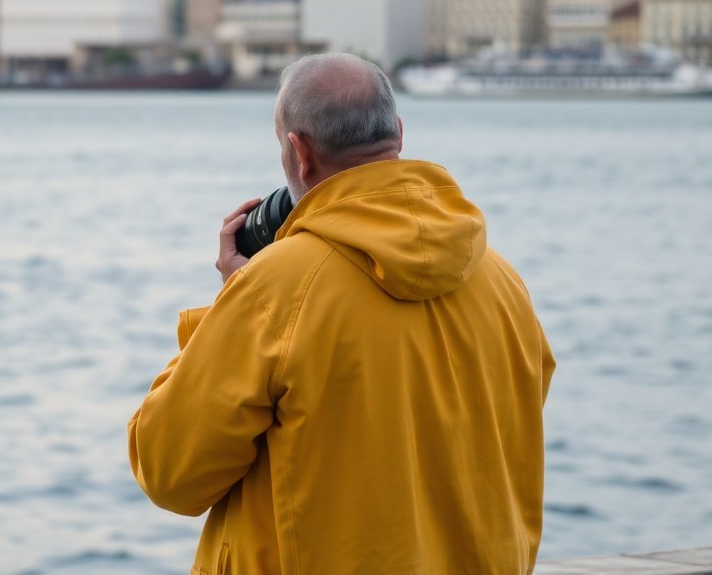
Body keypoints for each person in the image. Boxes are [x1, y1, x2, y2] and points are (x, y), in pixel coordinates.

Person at [127, 53, 555, 574]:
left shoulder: (274, 290)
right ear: (397, 133)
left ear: (298, 152)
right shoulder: (503, 282)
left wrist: (227, 305)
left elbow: (170, 472)